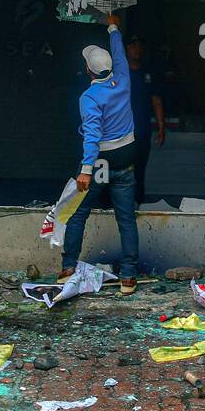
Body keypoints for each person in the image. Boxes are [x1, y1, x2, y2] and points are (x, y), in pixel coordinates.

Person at [60, 16, 140, 295]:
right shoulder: (123, 78)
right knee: (126, 217)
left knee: (79, 212)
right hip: (127, 155)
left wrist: (85, 170)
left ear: (88, 71)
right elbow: (119, 53)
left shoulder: (89, 98)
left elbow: (92, 136)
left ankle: (68, 267)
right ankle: (128, 277)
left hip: (102, 161)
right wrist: (114, 27)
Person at [126, 35, 165, 205]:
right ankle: (111, 206)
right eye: (133, 45)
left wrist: (161, 128)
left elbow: (156, 100)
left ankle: (137, 205)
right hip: (119, 133)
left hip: (141, 131)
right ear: (125, 49)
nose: (137, 49)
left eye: (139, 45)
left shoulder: (147, 73)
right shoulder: (118, 73)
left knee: (139, 171)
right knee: (118, 171)